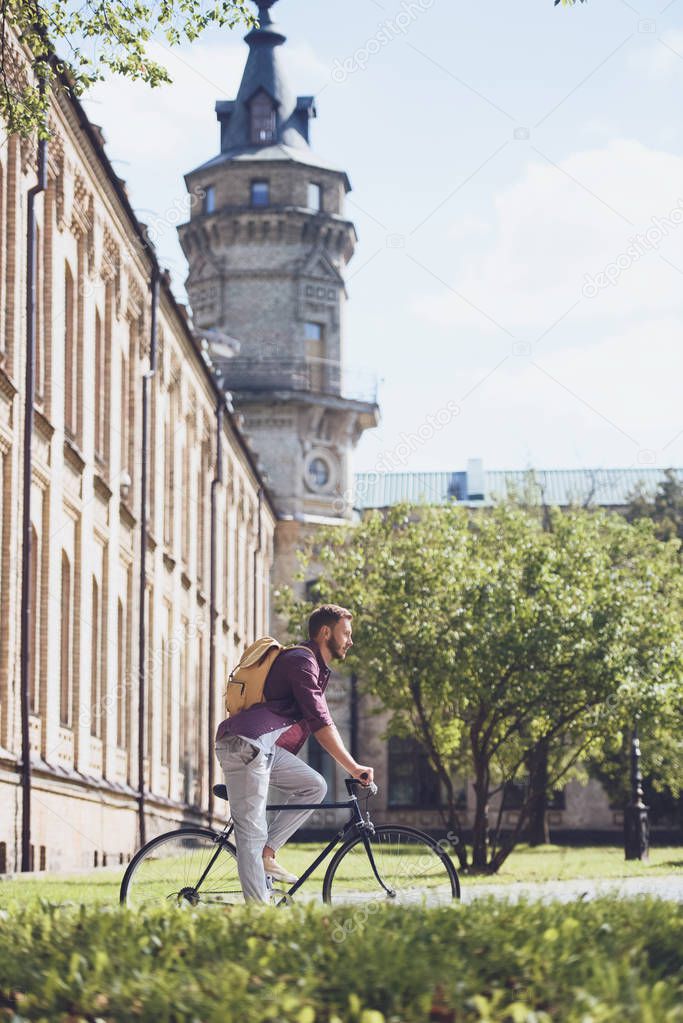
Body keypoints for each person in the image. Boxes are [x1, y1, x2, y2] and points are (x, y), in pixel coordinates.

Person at [214, 604, 374, 903]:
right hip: (245, 743)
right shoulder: (302, 660)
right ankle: (258, 916)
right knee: (251, 830)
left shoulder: (311, 664)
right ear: (326, 633)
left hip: (262, 747)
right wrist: (353, 767)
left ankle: (268, 853)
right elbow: (321, 723)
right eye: (346, 634)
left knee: (314, 786)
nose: (350, 641)